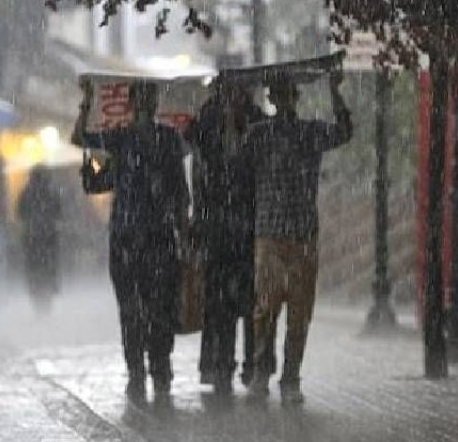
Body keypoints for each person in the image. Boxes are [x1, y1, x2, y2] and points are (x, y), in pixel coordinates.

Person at [73, 81, 190, 403]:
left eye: (150, 98)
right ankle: (137, 370)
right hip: (126, 238)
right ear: (133, 103)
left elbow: (180, 191)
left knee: (161, 307)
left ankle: (160, 366)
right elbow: (80, 139)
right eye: (142, 98)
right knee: (131, 310)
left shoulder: (168, 139)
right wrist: (86, 103)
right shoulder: (120, 139)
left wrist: (184, 230)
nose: (147, 104)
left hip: (160, 237)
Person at [243, 71, 352, 405]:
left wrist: (336, 92)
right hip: (270, 233)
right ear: (273, 99)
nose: (285, 100)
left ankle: (291, 377)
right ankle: (262, 370)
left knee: (299, 313)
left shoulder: (309, 132)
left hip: (302, 233)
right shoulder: (259, 134)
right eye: (279, 94)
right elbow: (236, 161)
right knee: (266, 308)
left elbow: (344, 131)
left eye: (289, 94)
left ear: (294, 97)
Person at [185, 78, 268, 396]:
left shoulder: (255, 122)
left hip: (247, 228)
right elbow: (192, 145)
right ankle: (221, 365)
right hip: (218, 229)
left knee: (250, 303)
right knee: (219, 303)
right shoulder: (207, 125)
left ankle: (253, 364)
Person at [16, 165, 63, 314]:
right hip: (48, 237)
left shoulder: (26, 193)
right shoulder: (51, 192)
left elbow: (20, 213)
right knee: (48, 268)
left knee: (34, 270)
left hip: (32, 238)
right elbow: (59, 212)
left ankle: (37, 299)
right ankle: (47, 296)